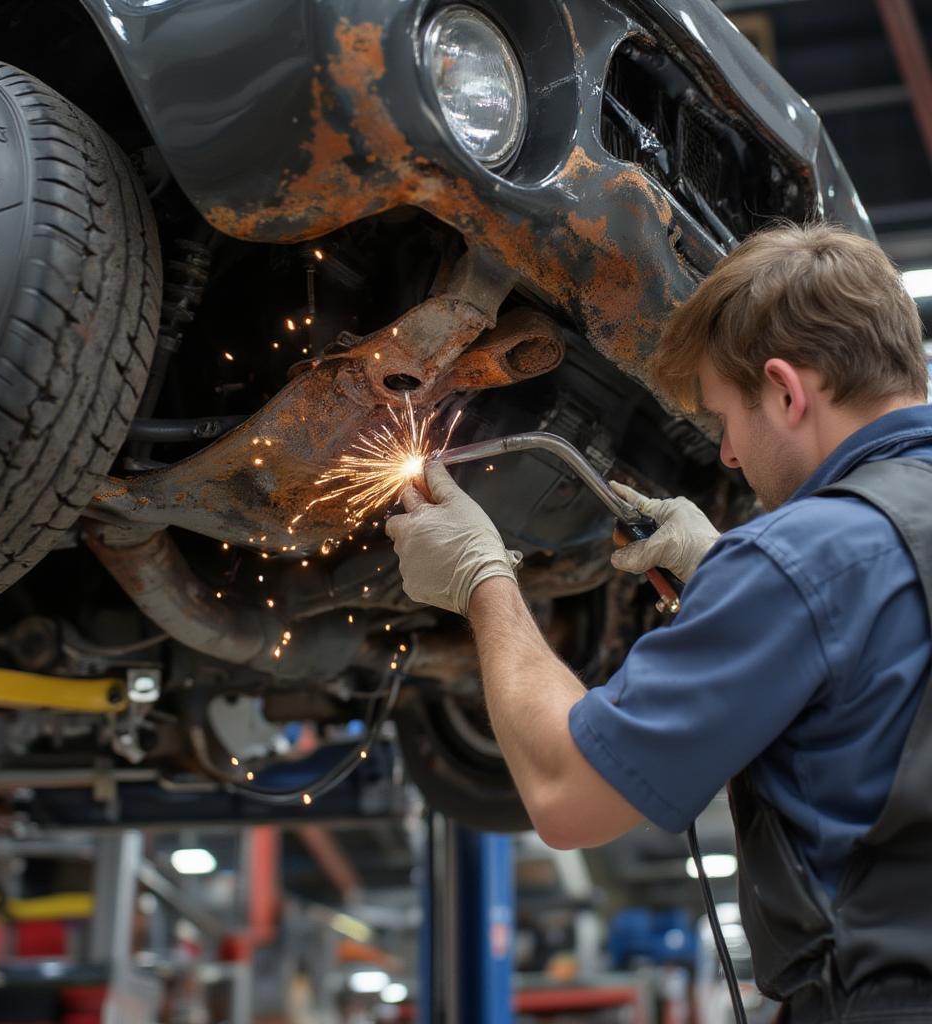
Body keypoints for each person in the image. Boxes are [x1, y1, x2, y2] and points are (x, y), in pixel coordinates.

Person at [386, 223, 932, 1020]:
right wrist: (731, 576)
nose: (731, 459)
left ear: (786, 391)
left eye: (724, 421)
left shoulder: (805, 557)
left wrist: (482, 579)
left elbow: (569, 793)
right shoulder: (850, 553)